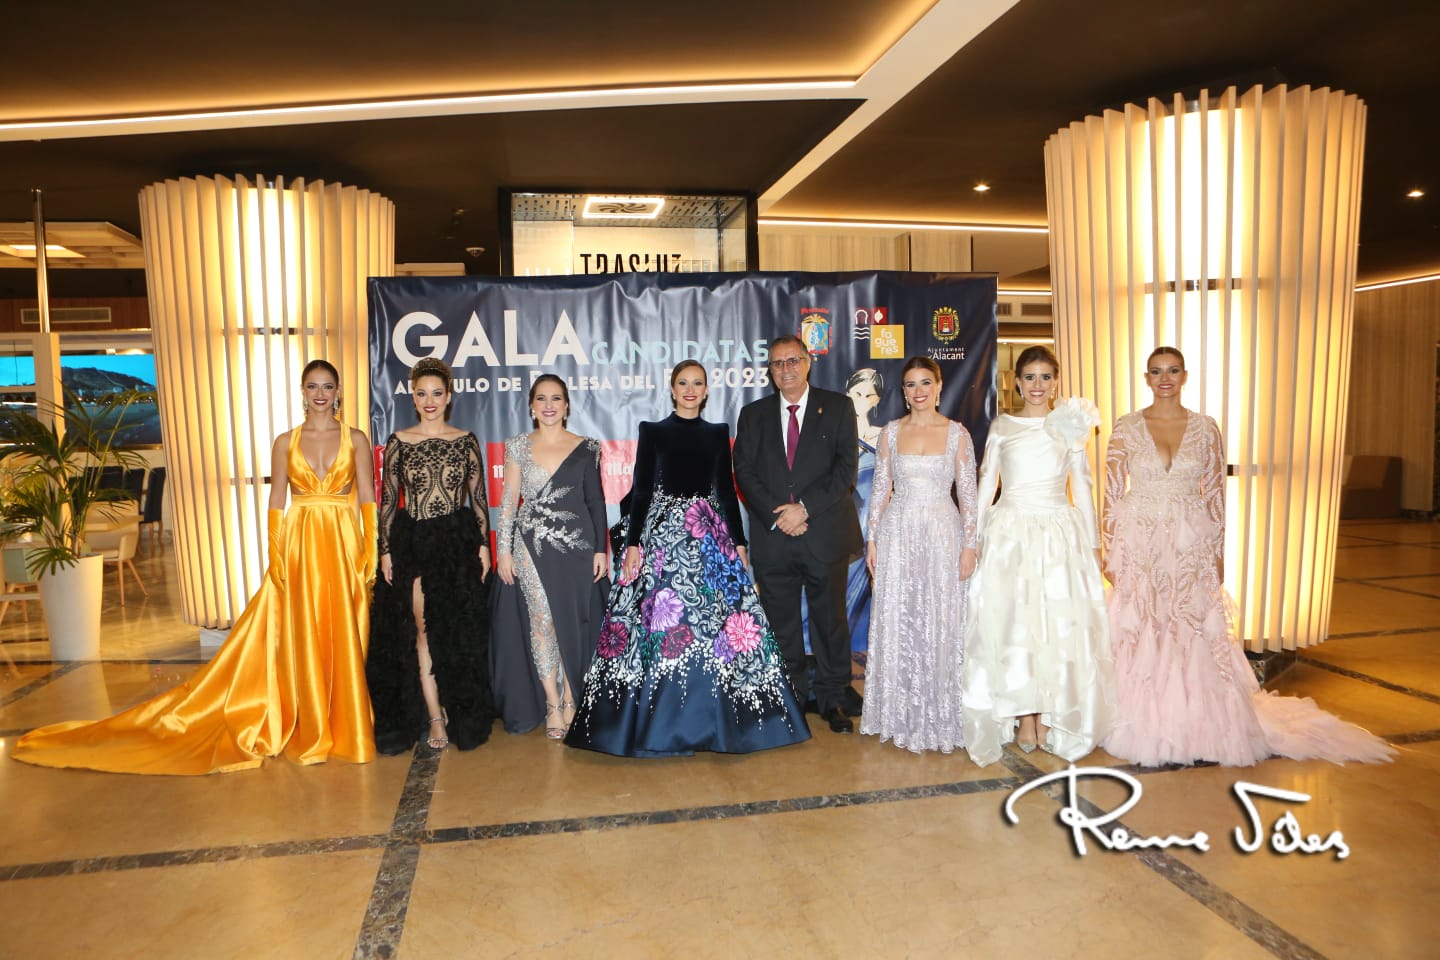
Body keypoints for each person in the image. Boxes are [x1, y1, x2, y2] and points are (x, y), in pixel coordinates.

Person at [13, 360, 377, 774]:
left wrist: (370, 548)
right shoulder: (285, 442)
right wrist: (276, 553)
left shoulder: (355, 439)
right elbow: (277, 500)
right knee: (301, 634)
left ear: (338, 391)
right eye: (312, 386)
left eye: (327, 386)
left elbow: (367, 495)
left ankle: (344, 724)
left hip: (343, 544)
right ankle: (307, 725)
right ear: (302, 391)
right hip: (299, 546)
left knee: (344, 631)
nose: (320, 394)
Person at [1102, 347, 1394, 766]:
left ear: (1185, 376)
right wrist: (1110, 549)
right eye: (1156, 371)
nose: (1165, 378)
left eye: (1172, 370)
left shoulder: (1206, 428)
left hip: (1190, 545)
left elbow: (1215, 494)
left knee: (1189, 628)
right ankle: (1140, 718)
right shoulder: (1127, 426)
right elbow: (1112, 493)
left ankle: (1194, 721)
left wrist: (1218, 552)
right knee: (1145, 626)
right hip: (1140, 544)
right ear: (1146, 378)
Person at [566, 360, 809, 757]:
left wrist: (739, 543)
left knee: (718, 625)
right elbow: (641, 490)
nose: (691, 389)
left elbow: (725, 490)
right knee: (661, 626)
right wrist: (633, 544)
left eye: (697, 383)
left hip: (708, 534)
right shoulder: (653, 431)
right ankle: (658, 723)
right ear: (673, 389)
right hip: (662, 539)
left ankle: (721, 722)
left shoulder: (717, 433)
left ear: (707, 390)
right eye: (683, 383)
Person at [962, 345, 1115, 765]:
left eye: (1045, 377)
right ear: (1016, 382)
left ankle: (1049, 715)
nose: (1037, 385)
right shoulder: (1002, 426)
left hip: (1057, 536)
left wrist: (1093, 545)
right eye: (1029, 377)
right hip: (1010, 534)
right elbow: (986, 482)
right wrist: (974, 538)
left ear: (1056, 382)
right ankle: (1024, 716)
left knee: (1055, 626)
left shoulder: (1070, 426)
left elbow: (1082, 485)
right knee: (1016, 625)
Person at [733, 335, 864, 734]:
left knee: (830, 622)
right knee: (781, 623)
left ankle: (833, 697)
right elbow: (744, 472)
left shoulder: (838, 407)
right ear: (770, 371)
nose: (786, 369)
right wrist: (780, 516)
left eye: (793, 360)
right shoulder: (753, 415)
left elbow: (845, 469)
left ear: (808, 363)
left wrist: (803, 509)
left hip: (824, 532)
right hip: (774, 536)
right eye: (777, 363)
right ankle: (788, 698)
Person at [367, 358, 494, 754]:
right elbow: (388, 502)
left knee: (457, 633)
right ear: (413, 397)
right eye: (422, 393)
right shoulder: (399, 442)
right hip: (415, 545)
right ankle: (435, 716)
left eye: (437, 393)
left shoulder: (466, 440)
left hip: (457, 545)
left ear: (449, 396)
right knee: (423, 631)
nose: (429, 400)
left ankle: (460, 710)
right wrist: (385, 551)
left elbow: (479, 499)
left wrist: (484, 545)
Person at [862, 357, 978, 753]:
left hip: (943, 536)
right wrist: (872, 540)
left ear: (939, 385)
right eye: (911, 384)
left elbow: (968, 496)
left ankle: (941, 714)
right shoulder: (891, 433)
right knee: (901, 619)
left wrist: (969, 545)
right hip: (898, 535)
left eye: (925, 382)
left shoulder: (958, 434)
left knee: (941, 622)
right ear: (904, 392)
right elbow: (880, 490)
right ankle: (899, 714)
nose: (918, 391)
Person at [491, 374, 609, 739]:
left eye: (556, 398)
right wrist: (503, 550)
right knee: (543, 621)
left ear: (567, 406)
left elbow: (596, 501)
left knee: (573, 622)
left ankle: (572, 697)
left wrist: (601, 549)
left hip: (577, 549)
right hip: (531, 548)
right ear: (531, 406)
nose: (548, 405)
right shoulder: (518, 446)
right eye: (541, 398)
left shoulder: (587, 447)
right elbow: (508, 502)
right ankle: (552, 703)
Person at [844, 368, 884, 651]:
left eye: (868, 395)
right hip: (842, 527)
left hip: (874, 526)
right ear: (847, 393)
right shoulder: (835, 434)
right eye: (857, 393)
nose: (861, 400)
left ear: (876, 400)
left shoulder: (884, 436)